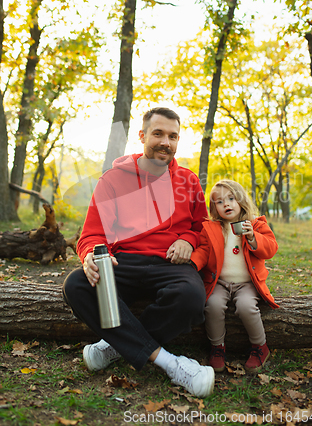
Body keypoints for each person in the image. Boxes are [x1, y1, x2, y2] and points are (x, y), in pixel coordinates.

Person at [62, 107, 215, 397]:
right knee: (76, 284)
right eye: (158, 133)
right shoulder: (112, 180)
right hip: (124, 262)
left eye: (173, 136)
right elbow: (93, 233)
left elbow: (202, 228)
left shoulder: (189, 181)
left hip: (170, 262)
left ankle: (112, 347)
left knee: (192, 297)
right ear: (142, 135)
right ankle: (172, 364)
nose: (165, 142)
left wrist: (188, 240)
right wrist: (89, 256)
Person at [178, 179, 279, 373]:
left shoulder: (256, 225)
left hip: (247, 283)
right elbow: (204, 251)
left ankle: (260, 347)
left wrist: (252, 238)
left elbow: (271, 248)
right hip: (220, 282)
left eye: (231, 198)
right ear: (214, 207)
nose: (226, 204)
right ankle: (218, 347)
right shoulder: (212, 228)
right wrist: (191, 263)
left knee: (246, 306)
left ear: (240, 200)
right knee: (212, 305)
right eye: (220, 201)